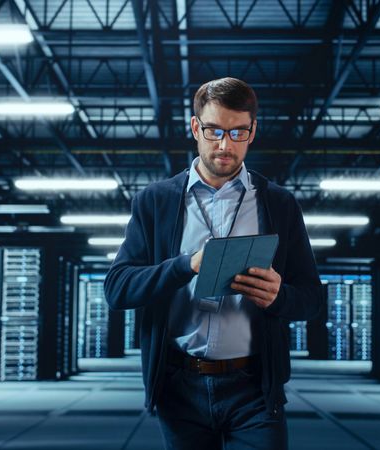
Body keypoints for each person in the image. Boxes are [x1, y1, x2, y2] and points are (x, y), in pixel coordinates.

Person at [104, 77, 323, 450]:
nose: (225, 144)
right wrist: (185, 265)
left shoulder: (279, 204)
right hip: (179, 386)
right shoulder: (155, 202)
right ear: (195, 128)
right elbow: (117, 289)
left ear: (253, 131)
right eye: (214, 131)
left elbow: (313, 299)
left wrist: (280, 297)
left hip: (254, 387)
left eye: (238, 132)